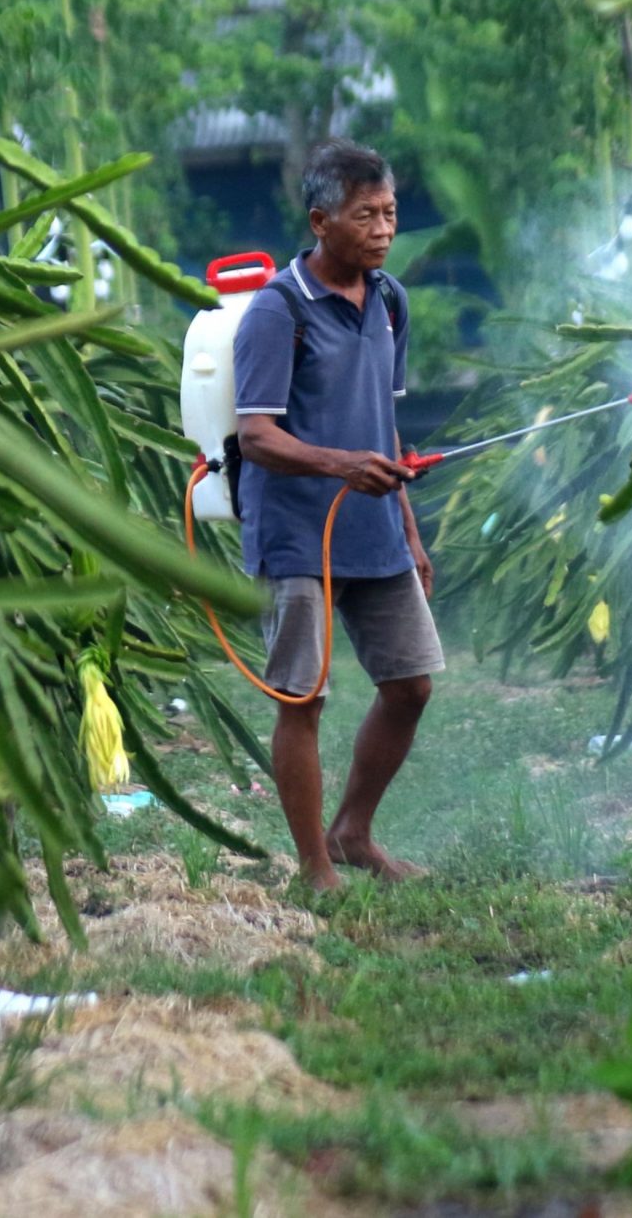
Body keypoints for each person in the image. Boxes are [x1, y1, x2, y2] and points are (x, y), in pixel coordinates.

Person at [231, 139, 443, 891]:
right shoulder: (275, 311)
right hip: (296, 539)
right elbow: (256, 435)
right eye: (365, 215)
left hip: (374, 533)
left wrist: (409, 533)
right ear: (321, 221)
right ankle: (314, 868)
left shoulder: (390, 300)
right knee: (303, 700)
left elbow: (383, 426)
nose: (384, 229)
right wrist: (340, 465)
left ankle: (352, 832)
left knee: (411, 686)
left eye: (390, 213)